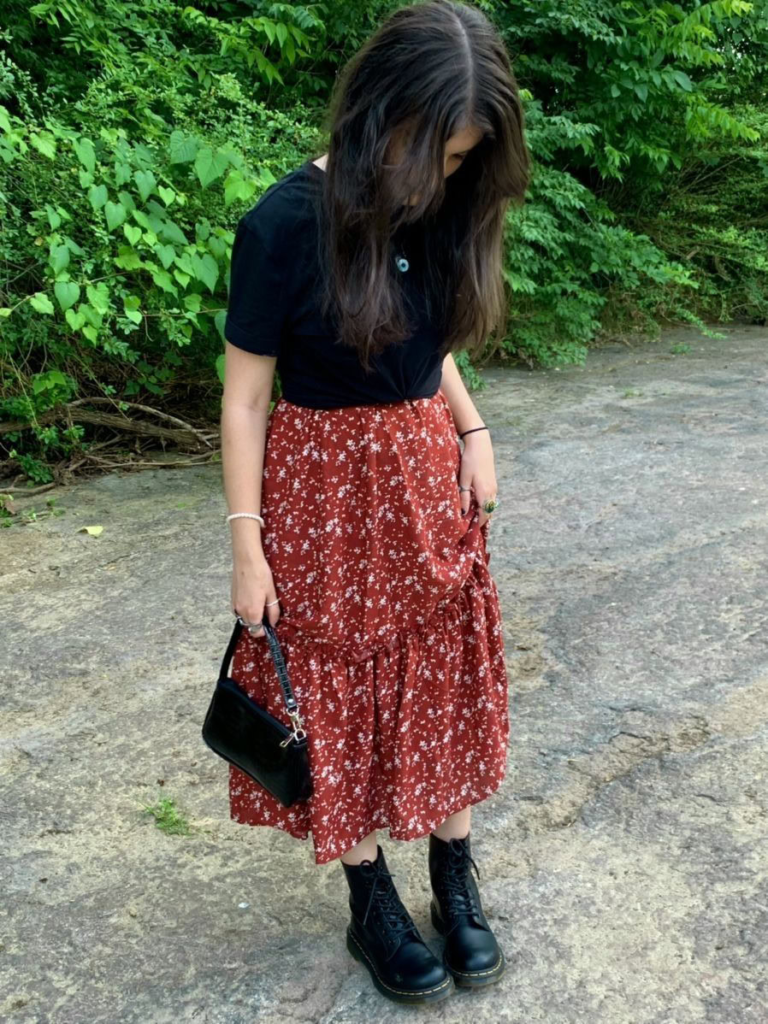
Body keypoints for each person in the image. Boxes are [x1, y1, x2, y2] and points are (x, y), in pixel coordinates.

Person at [219, 0, 530, 1006]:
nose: (439, 178)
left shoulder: (443, 205)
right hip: (321, 498)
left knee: (441, 667)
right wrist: (247, 548)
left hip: (426, 481)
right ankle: (370, 894)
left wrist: (472, 430)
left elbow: (427, 347)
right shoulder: (277, 227)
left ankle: (452, 869)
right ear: (376, 111)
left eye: (460, 159)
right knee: (333, 685)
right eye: (432, 151)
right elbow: (244, 397)